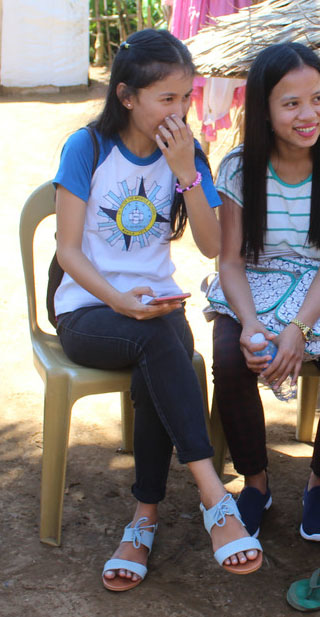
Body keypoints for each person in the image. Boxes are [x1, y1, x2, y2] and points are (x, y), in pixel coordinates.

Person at [53, 29, 263, 592]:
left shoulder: (186, 153)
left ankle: (142, 522)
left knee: (161, 352)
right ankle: (214, 497)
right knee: (159, 344)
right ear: (126, 96)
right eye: (166, 99)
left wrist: (187, 170)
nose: (181, 110)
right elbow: (68, 252)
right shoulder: (87, 149)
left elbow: (214, 247)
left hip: (157, 310)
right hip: (89, 310)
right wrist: (120, 299)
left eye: (187, 98)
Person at [210, 42, 320, 542]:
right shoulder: (238, 168)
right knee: (231, 359)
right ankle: (255, 482)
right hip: (255, 285)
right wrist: (252, 323)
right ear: (264, 108)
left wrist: (298, 328)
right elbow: (231, 261)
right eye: (291, 103)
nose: (309, 115)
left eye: (317, 98)